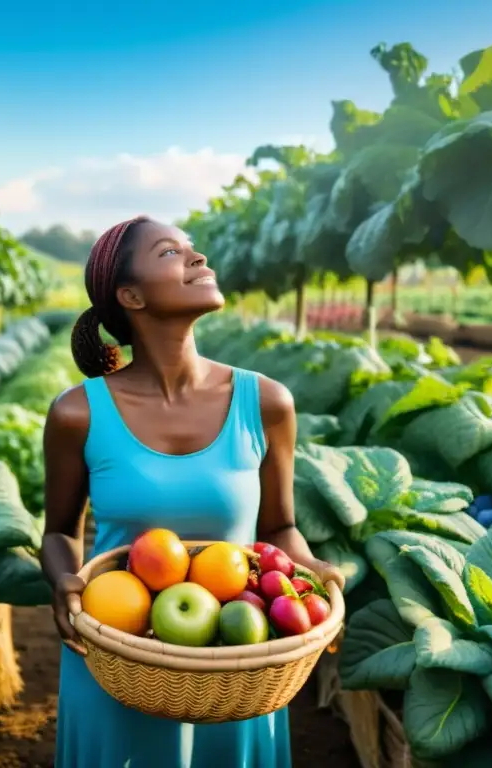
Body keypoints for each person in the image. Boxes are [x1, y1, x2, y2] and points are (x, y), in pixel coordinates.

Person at [41, 215, 346, 768]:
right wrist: (63, 580)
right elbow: (60, 531)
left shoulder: (268, 403)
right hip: (117, 655)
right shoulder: (77, 412)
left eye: (192, 249)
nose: (197, 258)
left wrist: (311, 573)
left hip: (234, 664)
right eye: (169, 252)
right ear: (129, 294)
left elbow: (278, 528)